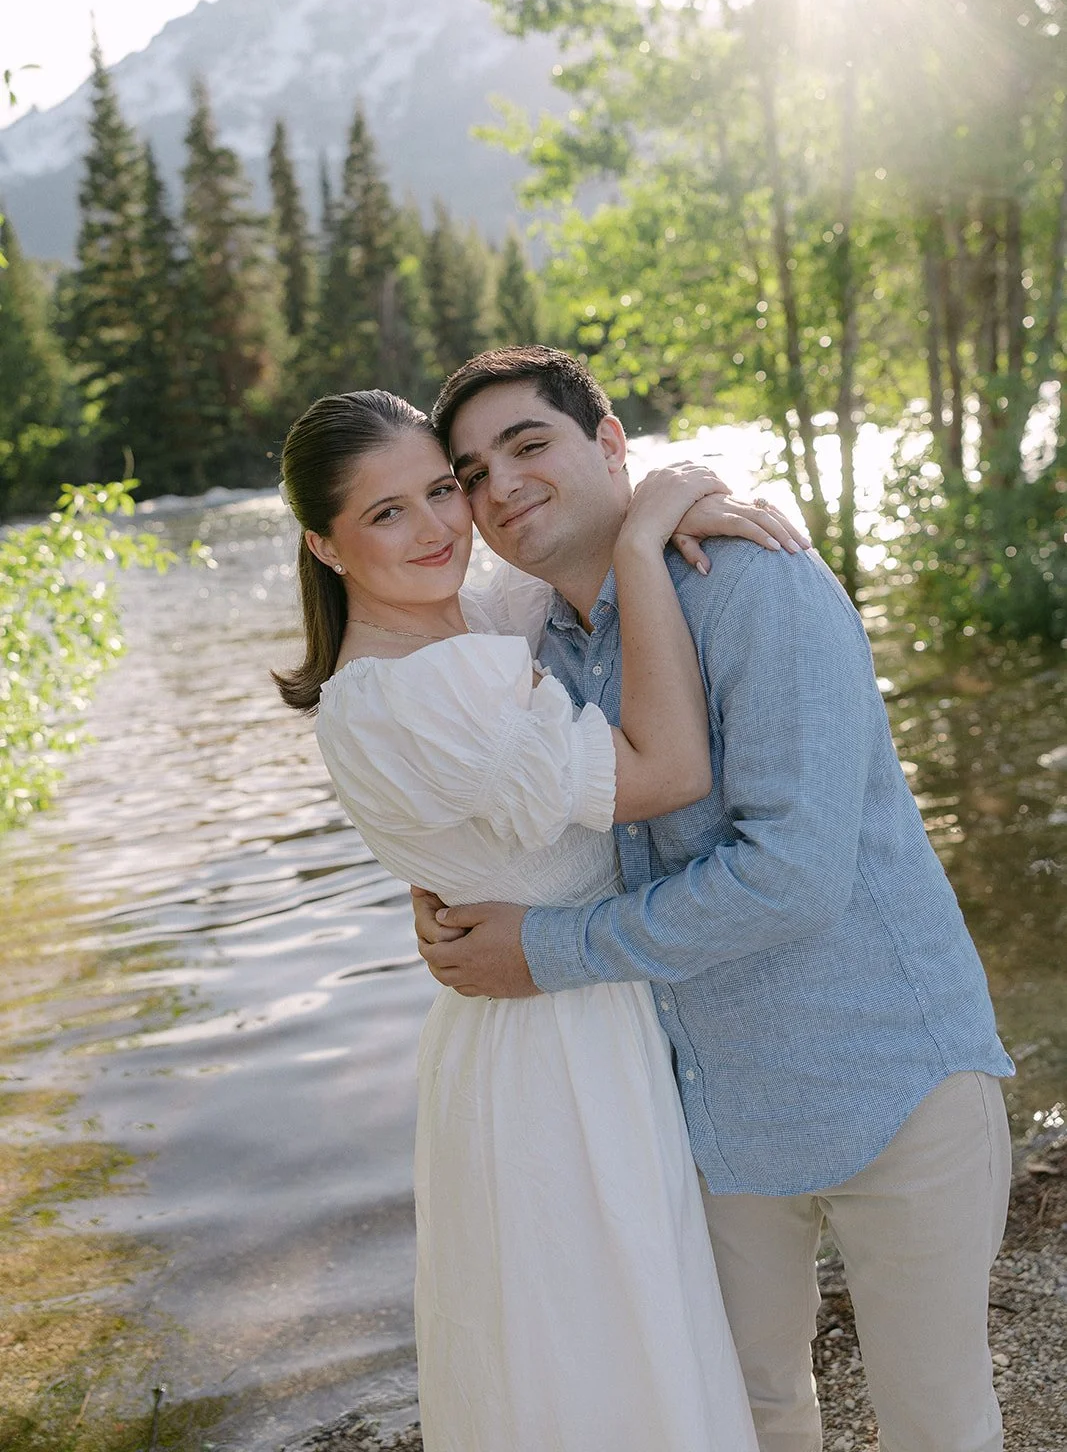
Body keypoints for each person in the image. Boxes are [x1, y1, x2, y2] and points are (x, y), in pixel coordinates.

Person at [413, 346, 1016, 1452]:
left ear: (608, 445)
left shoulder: (753, 581)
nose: (498, 487)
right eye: (469, 471)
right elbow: (443, 736)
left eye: (528, 445)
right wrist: (440, 883)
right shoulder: (528, 637)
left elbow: (788, 875)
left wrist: (543, 950)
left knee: (937, 1423)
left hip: (890, 1082)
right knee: (745, 1415)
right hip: (707, 1117)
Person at [273, 387, 804, 1452]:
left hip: (558, 1015)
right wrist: (649, 541)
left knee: (624, 1343)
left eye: (441, 489)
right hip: (558, 1049)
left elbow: (571, 580)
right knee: (605, 1359)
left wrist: (670, 498)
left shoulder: (475, 628)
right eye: (386, 514)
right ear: (324, 546)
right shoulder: (412, 688)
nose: (434, 529)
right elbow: (667, 769)